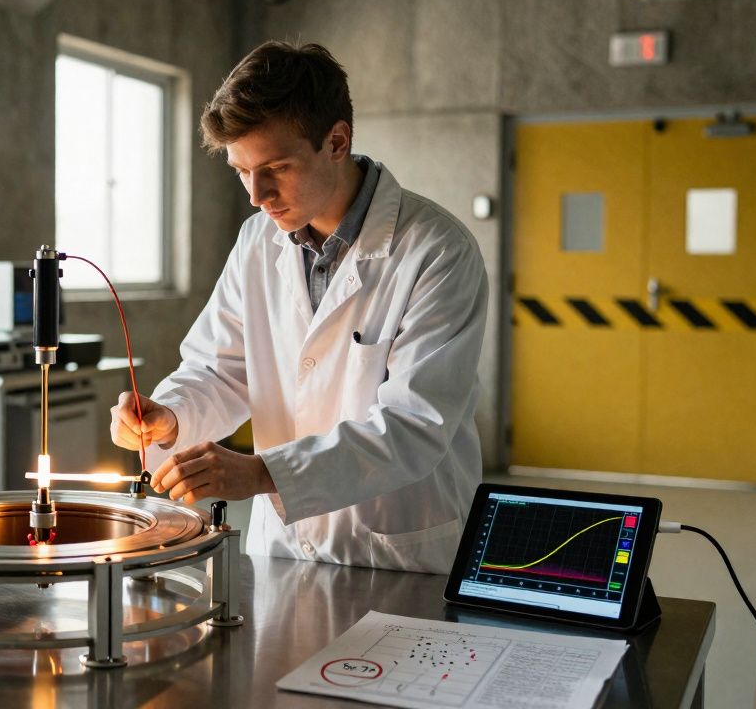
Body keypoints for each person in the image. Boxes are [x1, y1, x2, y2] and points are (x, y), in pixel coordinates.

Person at [109, 41, 488, 574]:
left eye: (276, 168)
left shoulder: (436, 250)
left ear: (337, 141)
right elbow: (221, 368)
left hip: (400, 547)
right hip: (286, 549)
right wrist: (169, 416)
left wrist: (265, 474)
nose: (256, 195)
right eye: (241, 171)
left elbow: (413, 425)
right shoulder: (258, 241)